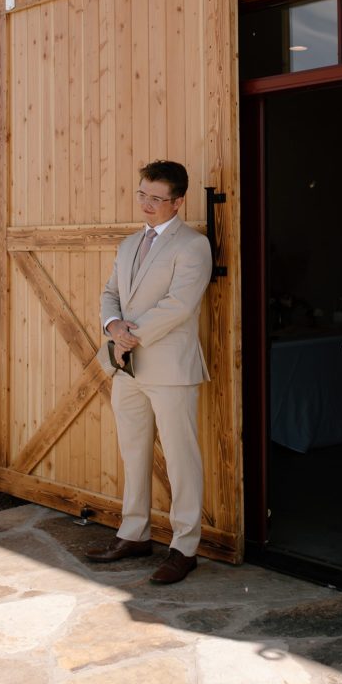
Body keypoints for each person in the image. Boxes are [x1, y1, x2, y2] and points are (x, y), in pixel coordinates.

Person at [86, 160, 213, 584]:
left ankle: (185, 546)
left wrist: (129, 335)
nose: (147, 204)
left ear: (178, 201)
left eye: (157, 199)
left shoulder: (193, 245)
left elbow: (179, 305)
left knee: (181, 459)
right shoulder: (127, 245)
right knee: (134, 452)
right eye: (143, 194)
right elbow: (110, 293)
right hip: (126, 367)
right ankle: (134, 532)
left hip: (170, 368)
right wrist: (112, 327)